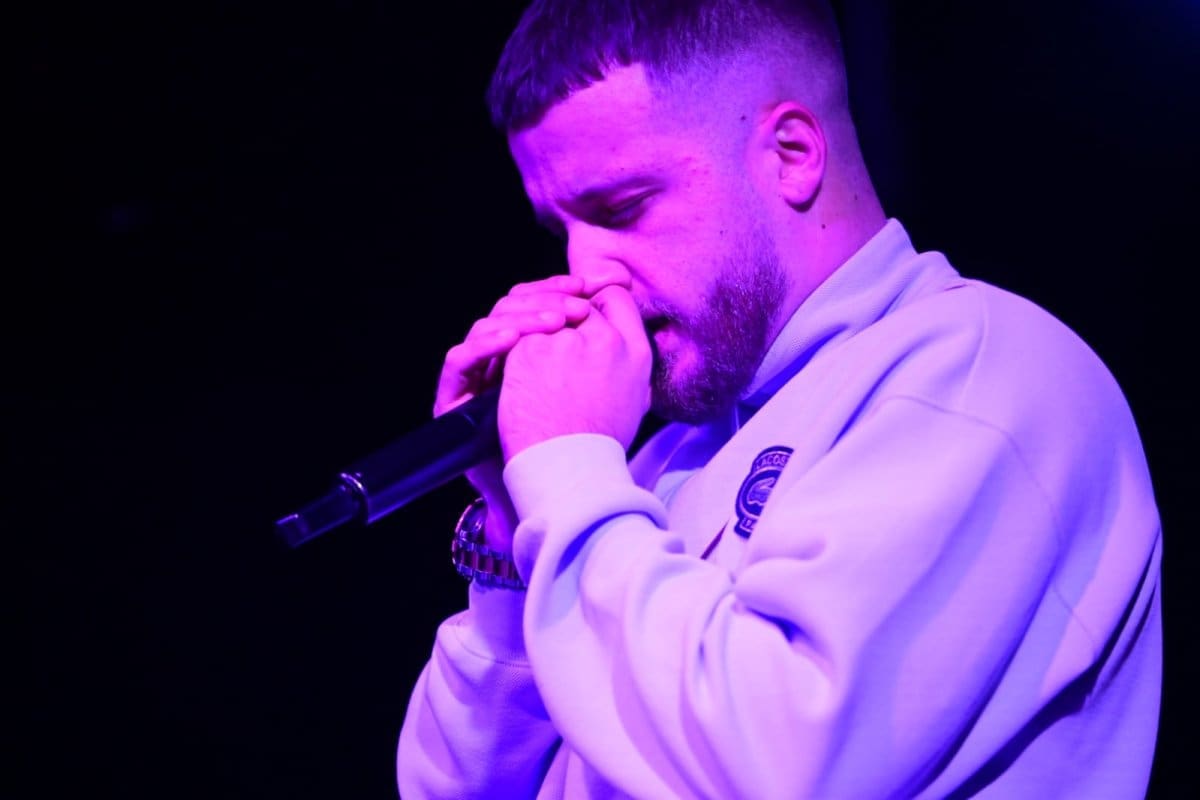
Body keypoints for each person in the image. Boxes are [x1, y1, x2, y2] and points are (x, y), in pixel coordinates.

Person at [396, 1, 1163, 797]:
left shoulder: (981, 372)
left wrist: (569, 474)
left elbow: (780, 769)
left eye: (622, 209)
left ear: (792, 155)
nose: (585, 273)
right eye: (563, 234)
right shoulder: (662, 460)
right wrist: (513, 537)